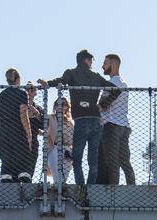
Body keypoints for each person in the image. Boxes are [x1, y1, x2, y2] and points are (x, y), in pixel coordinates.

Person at [39, 49, 117, 186]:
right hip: (95, 119)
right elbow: (116, 89)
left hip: (81, 120)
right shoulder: (96, 76)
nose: (92, 63)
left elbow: (60, 81)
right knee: (93, 159)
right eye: (91, 60)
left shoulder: (71, 73)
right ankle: (90, 186)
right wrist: (103, 105)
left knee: (77, 158)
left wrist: (47, 83)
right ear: (86, 60)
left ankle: (81, 187)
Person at [98, 54, 136, 186]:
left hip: (112, 125)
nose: (102, 66)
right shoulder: (123, 82)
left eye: (105, 63)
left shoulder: (113, 82)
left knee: (112, 162)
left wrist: (98, 106)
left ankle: (114, 191)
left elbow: (103, 105)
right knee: (125, 161)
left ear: (113, 64)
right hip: (124, 125)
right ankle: (132, 187)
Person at [0, 68, 32, 183]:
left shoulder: (1, 95)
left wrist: (2, 131)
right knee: (22, 162)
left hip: (5, 132)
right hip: (19, 132)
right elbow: (23, 114)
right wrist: (29, 134)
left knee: (6, 162)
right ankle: (23, 180)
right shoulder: (22, 93)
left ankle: (6, 180)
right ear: (18, 79)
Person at [48, 98, 74, 186]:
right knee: (56, 172)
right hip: (54, 146)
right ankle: (58, 190)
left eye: (64, 105)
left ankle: (60, 191)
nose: (61, 107)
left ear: (67, 107)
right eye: (58, 104)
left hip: (67, 149)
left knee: (64, 176)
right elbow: (44, 130)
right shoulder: (50, 118)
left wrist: (71, 151)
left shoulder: (70, 122)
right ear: (55, 106)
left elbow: (72, 139)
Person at [24, 82, 44, 180]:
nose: (29, 91)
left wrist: (36, 114)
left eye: (32, 89)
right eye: (27, 89)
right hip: (20, 138)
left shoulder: (38, 108)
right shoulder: (19, 106)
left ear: (35, 92)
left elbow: (45, 124)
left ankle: (27, 181)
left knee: (30, 164)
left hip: (33, 140)